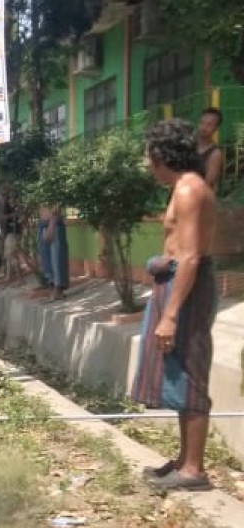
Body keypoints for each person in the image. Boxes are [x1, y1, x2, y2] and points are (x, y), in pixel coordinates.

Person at [134, 119, 220, 492]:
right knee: (178, 375)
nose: (146, 164)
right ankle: (185, 460)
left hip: (188, 290)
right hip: (175, 286)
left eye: (148, 156)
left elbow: (190, 258)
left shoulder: (189, 190)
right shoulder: (181, 187)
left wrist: (169, 316)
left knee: (190, 373)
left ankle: (194, 470)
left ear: (161, 155)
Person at [37, 204, 69, 301]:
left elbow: (56, 209)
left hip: (53, 226)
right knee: (47, 261)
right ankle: (55, 290)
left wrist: (52, 223)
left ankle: (57, 289)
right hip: (44, 226)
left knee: (57, 259)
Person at [197, 107, 224, 191]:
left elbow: (208, 184)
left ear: (216, 128)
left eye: (209, 124)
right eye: (202, 123)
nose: (204, 127)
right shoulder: (188, 145)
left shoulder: (215, 154)